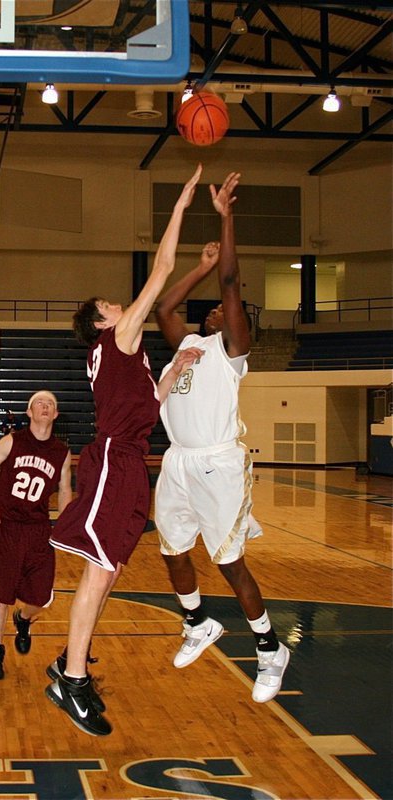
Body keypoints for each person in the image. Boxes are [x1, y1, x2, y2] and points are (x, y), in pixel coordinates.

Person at [46, 165, 205, 737]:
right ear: (101, 322)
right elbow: (161, 270)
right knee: (98, 574)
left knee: (107, 574)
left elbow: (150, 406)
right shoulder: (118, 338)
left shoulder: (125, 356)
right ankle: (72, 679)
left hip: (128, 458)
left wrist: (173, 371)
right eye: (112, 304)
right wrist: (182, 203)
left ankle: (71, 661)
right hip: (116, 461)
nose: (121, 304)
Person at [155, 170, 290, 704]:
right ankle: (198, 623)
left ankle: (269, 649)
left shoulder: (232, 351)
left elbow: (232, 285)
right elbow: (165, 308)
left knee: (229, 562)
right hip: (178, 462)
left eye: (222, 309)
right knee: (172, 551)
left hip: (217, 462)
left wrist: (225, 218)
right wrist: (201, 265)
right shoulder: (189, 342)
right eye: (212, 309)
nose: (216, 308)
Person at [0, 390, 72, 681]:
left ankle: (24, 618)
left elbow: (65, 489)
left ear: (55, 415)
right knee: (1, 593)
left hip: (39, 530)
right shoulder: (12, 441)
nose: (45, 406)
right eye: (39, 403)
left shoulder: (62, 452)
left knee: (41, 597)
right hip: (7, 526)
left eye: (51, 404)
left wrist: (64, 522)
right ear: (29, 412)